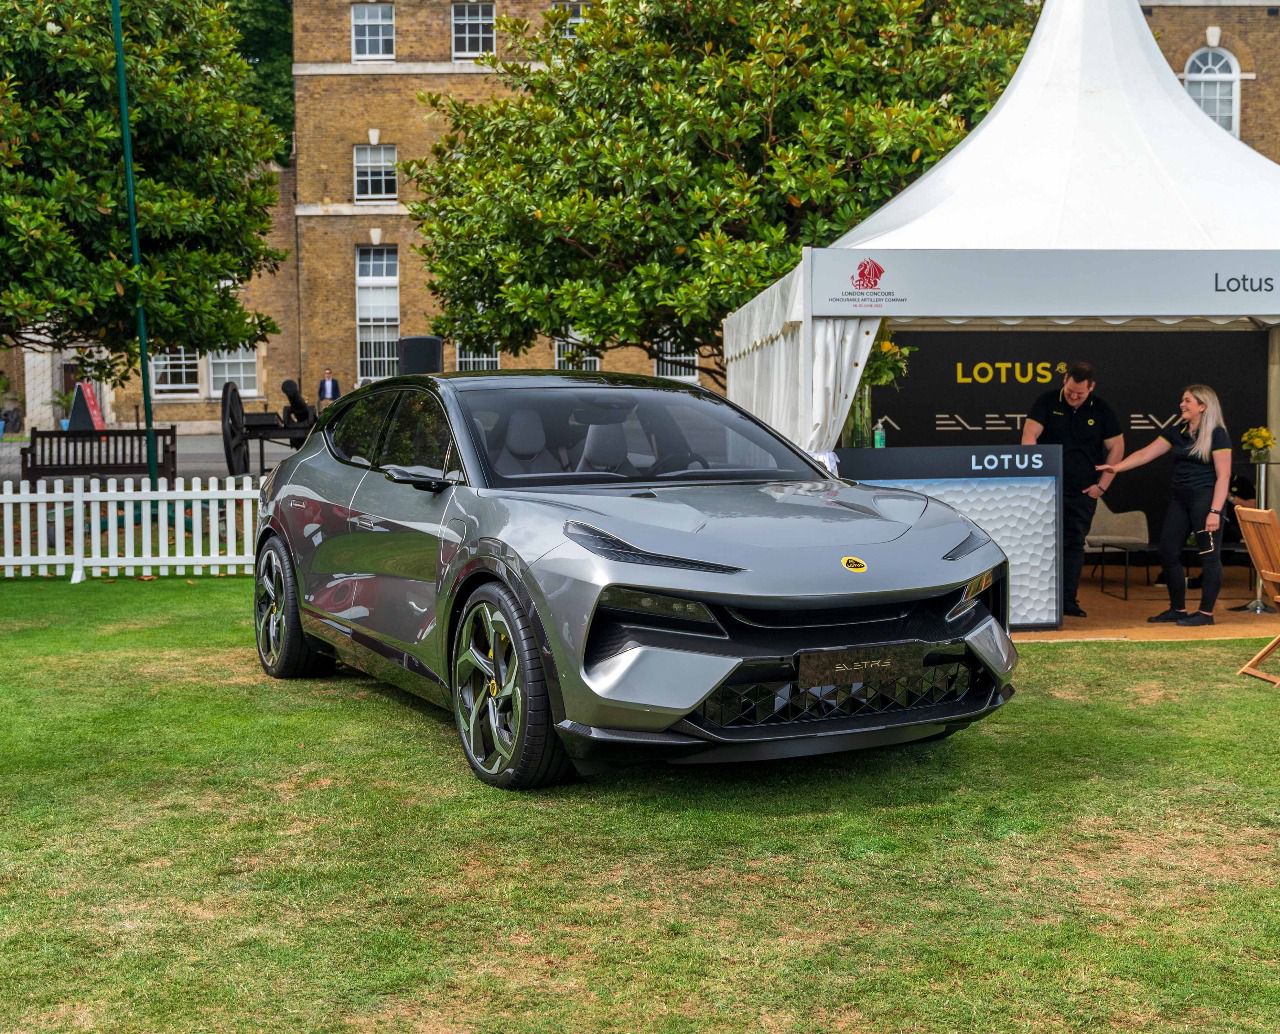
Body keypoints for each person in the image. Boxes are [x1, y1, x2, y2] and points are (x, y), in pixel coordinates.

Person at [1096, 384, 1231, 627]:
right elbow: (1145, 454)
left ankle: (1206, 614)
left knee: (1209, 556)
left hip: (1205, 500)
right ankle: (1177, 609)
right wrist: (1116, 467)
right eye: (1182, 400)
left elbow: (1224, 476)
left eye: (1187, 401)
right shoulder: (1177, 430)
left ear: (1203, 406)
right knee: (1168, 551)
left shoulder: (1217, 434)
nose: (1182, 404)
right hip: (1180, 499)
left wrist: (1215, 511)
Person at [1022, 361, 1124, 618]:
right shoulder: (1046, 401)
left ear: (1091, 387)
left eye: (1080, 393)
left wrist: (1101, 487)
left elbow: (1117, 447)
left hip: (1083, 492)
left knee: (1074, 544)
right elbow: (1029, 437)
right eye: (1070, 391)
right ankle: (1038, 601)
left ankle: (1068, 600)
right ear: (1064, 381)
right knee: (1040, 544)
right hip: (1046, 489)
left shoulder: (1101, 409)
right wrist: (1034, 478)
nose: (1074, 396)